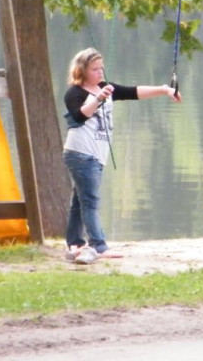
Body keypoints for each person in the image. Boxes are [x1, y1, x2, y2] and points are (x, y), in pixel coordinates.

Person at [62, 47, 182, 264]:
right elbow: (79, 116)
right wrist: (98, 98)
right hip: (80, 153)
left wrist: (164, 90)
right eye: (94, 69)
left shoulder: (104, 88)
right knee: (89, 200)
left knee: (79, 201)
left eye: (101, 68)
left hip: (96, 155)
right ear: (82, 70)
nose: (100, 73)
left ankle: (75, 242)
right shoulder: (75, 93)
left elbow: (133, 92)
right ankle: (98, 245)